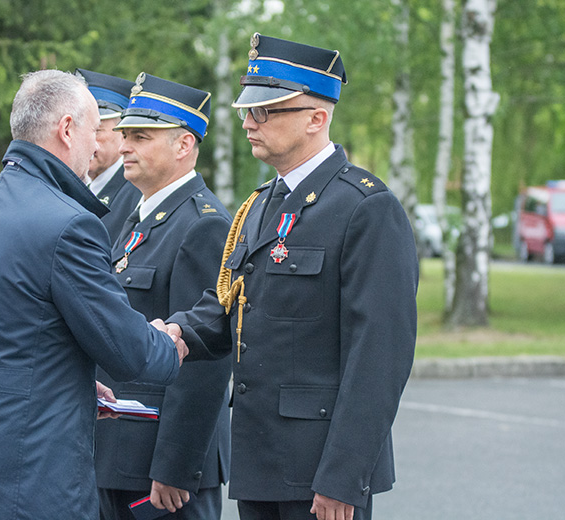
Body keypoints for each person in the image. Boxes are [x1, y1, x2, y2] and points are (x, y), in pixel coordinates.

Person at [164, 34, 419, 520]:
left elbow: (379, 356)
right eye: (247, 110)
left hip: (320, 472)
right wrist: (175, 332)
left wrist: (344, 477)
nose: (248, 122)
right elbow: (233, 305)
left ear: (316, 118)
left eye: (264, 111)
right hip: (261, 460)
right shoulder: (260, 204)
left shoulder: (365, 208)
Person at [0, 69, 187, 520]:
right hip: (29, 476)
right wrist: (168, 344)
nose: (98, 147)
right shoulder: (69, 224)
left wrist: (71, 386)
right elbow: (130, 353)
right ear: (67, 130)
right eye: (94, 131)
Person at [95, 73, 233, 520]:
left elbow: (206, 355)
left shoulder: (203, 224)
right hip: (116, 452)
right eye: (124, 135)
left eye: (141, 137)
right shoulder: (137, 217)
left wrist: (176, 464)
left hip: (160, 470)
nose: (124, 147)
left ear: (183, 145)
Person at [76, 68, 142, 240]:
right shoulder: (77, 188)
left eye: (96, 130)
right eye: (79, 131)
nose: (86, 141)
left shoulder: (137, 193)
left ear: (123, 133)